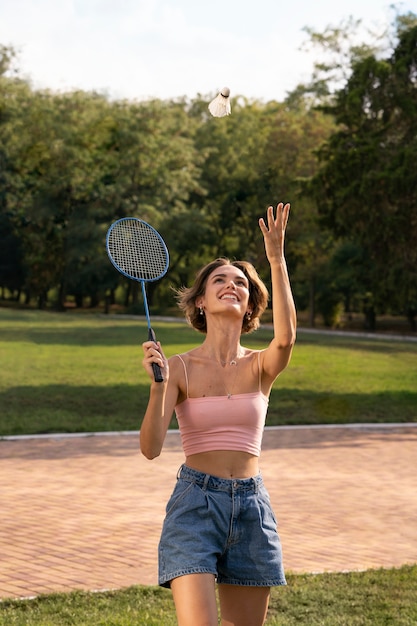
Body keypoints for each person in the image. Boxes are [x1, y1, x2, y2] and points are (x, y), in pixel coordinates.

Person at [140, 203, 296, 626]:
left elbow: (286, 338)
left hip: (251, 507)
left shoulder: (261, 366)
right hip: (195, 505)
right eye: (220, 280)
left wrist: (277, 259)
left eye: (241, 282)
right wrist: (158, 388)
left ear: (249, 306)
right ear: (202, 302)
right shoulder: (179, 367)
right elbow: (151, 448)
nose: (232, 285)